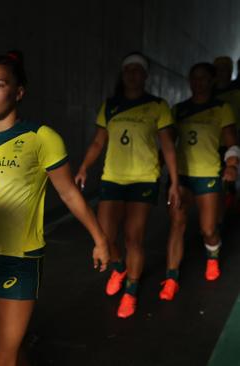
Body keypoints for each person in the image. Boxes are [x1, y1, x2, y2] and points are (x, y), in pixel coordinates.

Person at [0, 50, 109, 366]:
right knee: (8, 346)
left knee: (0, 353)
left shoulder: (41, 138)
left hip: (20, 258)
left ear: (19, 92)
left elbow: (69, 193)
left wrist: (100, 239)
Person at [75, 52, 181, 318]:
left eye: (138, 70)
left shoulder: (157, 105)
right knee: (105, 236)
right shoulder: (110, 106)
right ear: (123, 75)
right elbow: (99, 142)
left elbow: (168, 145)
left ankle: (131, 291)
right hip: (113, 177)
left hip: (144, 178)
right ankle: (120, 268)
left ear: (145, 75)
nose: (132, 74)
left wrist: (174, 182)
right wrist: (85, 166)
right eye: (128, 70)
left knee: (134, 238)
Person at [160, 62, 239, 300]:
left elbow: (231, 141)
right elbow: (168, 143)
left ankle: (213, 255)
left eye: (204, 78)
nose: (199, 82)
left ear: (212, 81)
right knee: (177, 224)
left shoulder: (221, 108)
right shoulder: (179, 109)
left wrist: (232, 165)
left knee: (208, 229)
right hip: (182, 177)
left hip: (208, 175)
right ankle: (171, 277)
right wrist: (156, 165)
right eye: (194, 78)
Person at [213, 56, 240, 211]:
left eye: (226, 69)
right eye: (219, 69)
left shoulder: (237, 93)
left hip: (233, 142)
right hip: (213, 144)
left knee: (230, 178)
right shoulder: (208, 93)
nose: (222, 73)